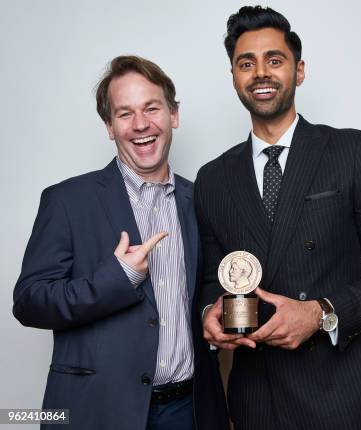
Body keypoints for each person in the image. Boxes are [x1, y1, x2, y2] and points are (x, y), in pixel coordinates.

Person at [194, 6, 361, 430]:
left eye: (274, 60)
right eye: (246, 63)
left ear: (299, 71)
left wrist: (321, 313)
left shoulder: (352, 152)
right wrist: (209, 311)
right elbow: (211, 278)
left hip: (348, 400)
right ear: (234, 77)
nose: (260, 73)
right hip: (260, 404)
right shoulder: (213, 179)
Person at [13, 56, 228, 430]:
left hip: (188, 410)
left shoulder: (202, 202)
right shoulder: (67, 202)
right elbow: (29, 302)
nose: (141, 124)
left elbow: (208, 289)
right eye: (124, 113)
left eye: (151, 108)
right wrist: (118, 277)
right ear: (109, 127)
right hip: (97, 412)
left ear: (173, 115)